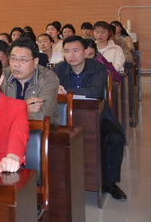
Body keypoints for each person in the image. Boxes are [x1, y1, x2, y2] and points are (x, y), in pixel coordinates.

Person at [53, 36, 127, 200]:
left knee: (115, 137)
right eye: (67, 51)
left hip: (99, 115)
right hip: (67, 116)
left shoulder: (98, 67)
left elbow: (95, 91)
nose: (71, 55)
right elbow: (51, 90)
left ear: (85, 51)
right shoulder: (58, 69)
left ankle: (110, 183)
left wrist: (66, 91)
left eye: (76, 50)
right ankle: (61, 181)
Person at [0, 37, 60, 123]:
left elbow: (41, 116)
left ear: (35, 62)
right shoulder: (2, 76)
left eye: (23, 60)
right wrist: (24, 108)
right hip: (7, 129)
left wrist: (10, 111)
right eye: (13, 59)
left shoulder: (48, 78)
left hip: (41, 130)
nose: (16, 64)